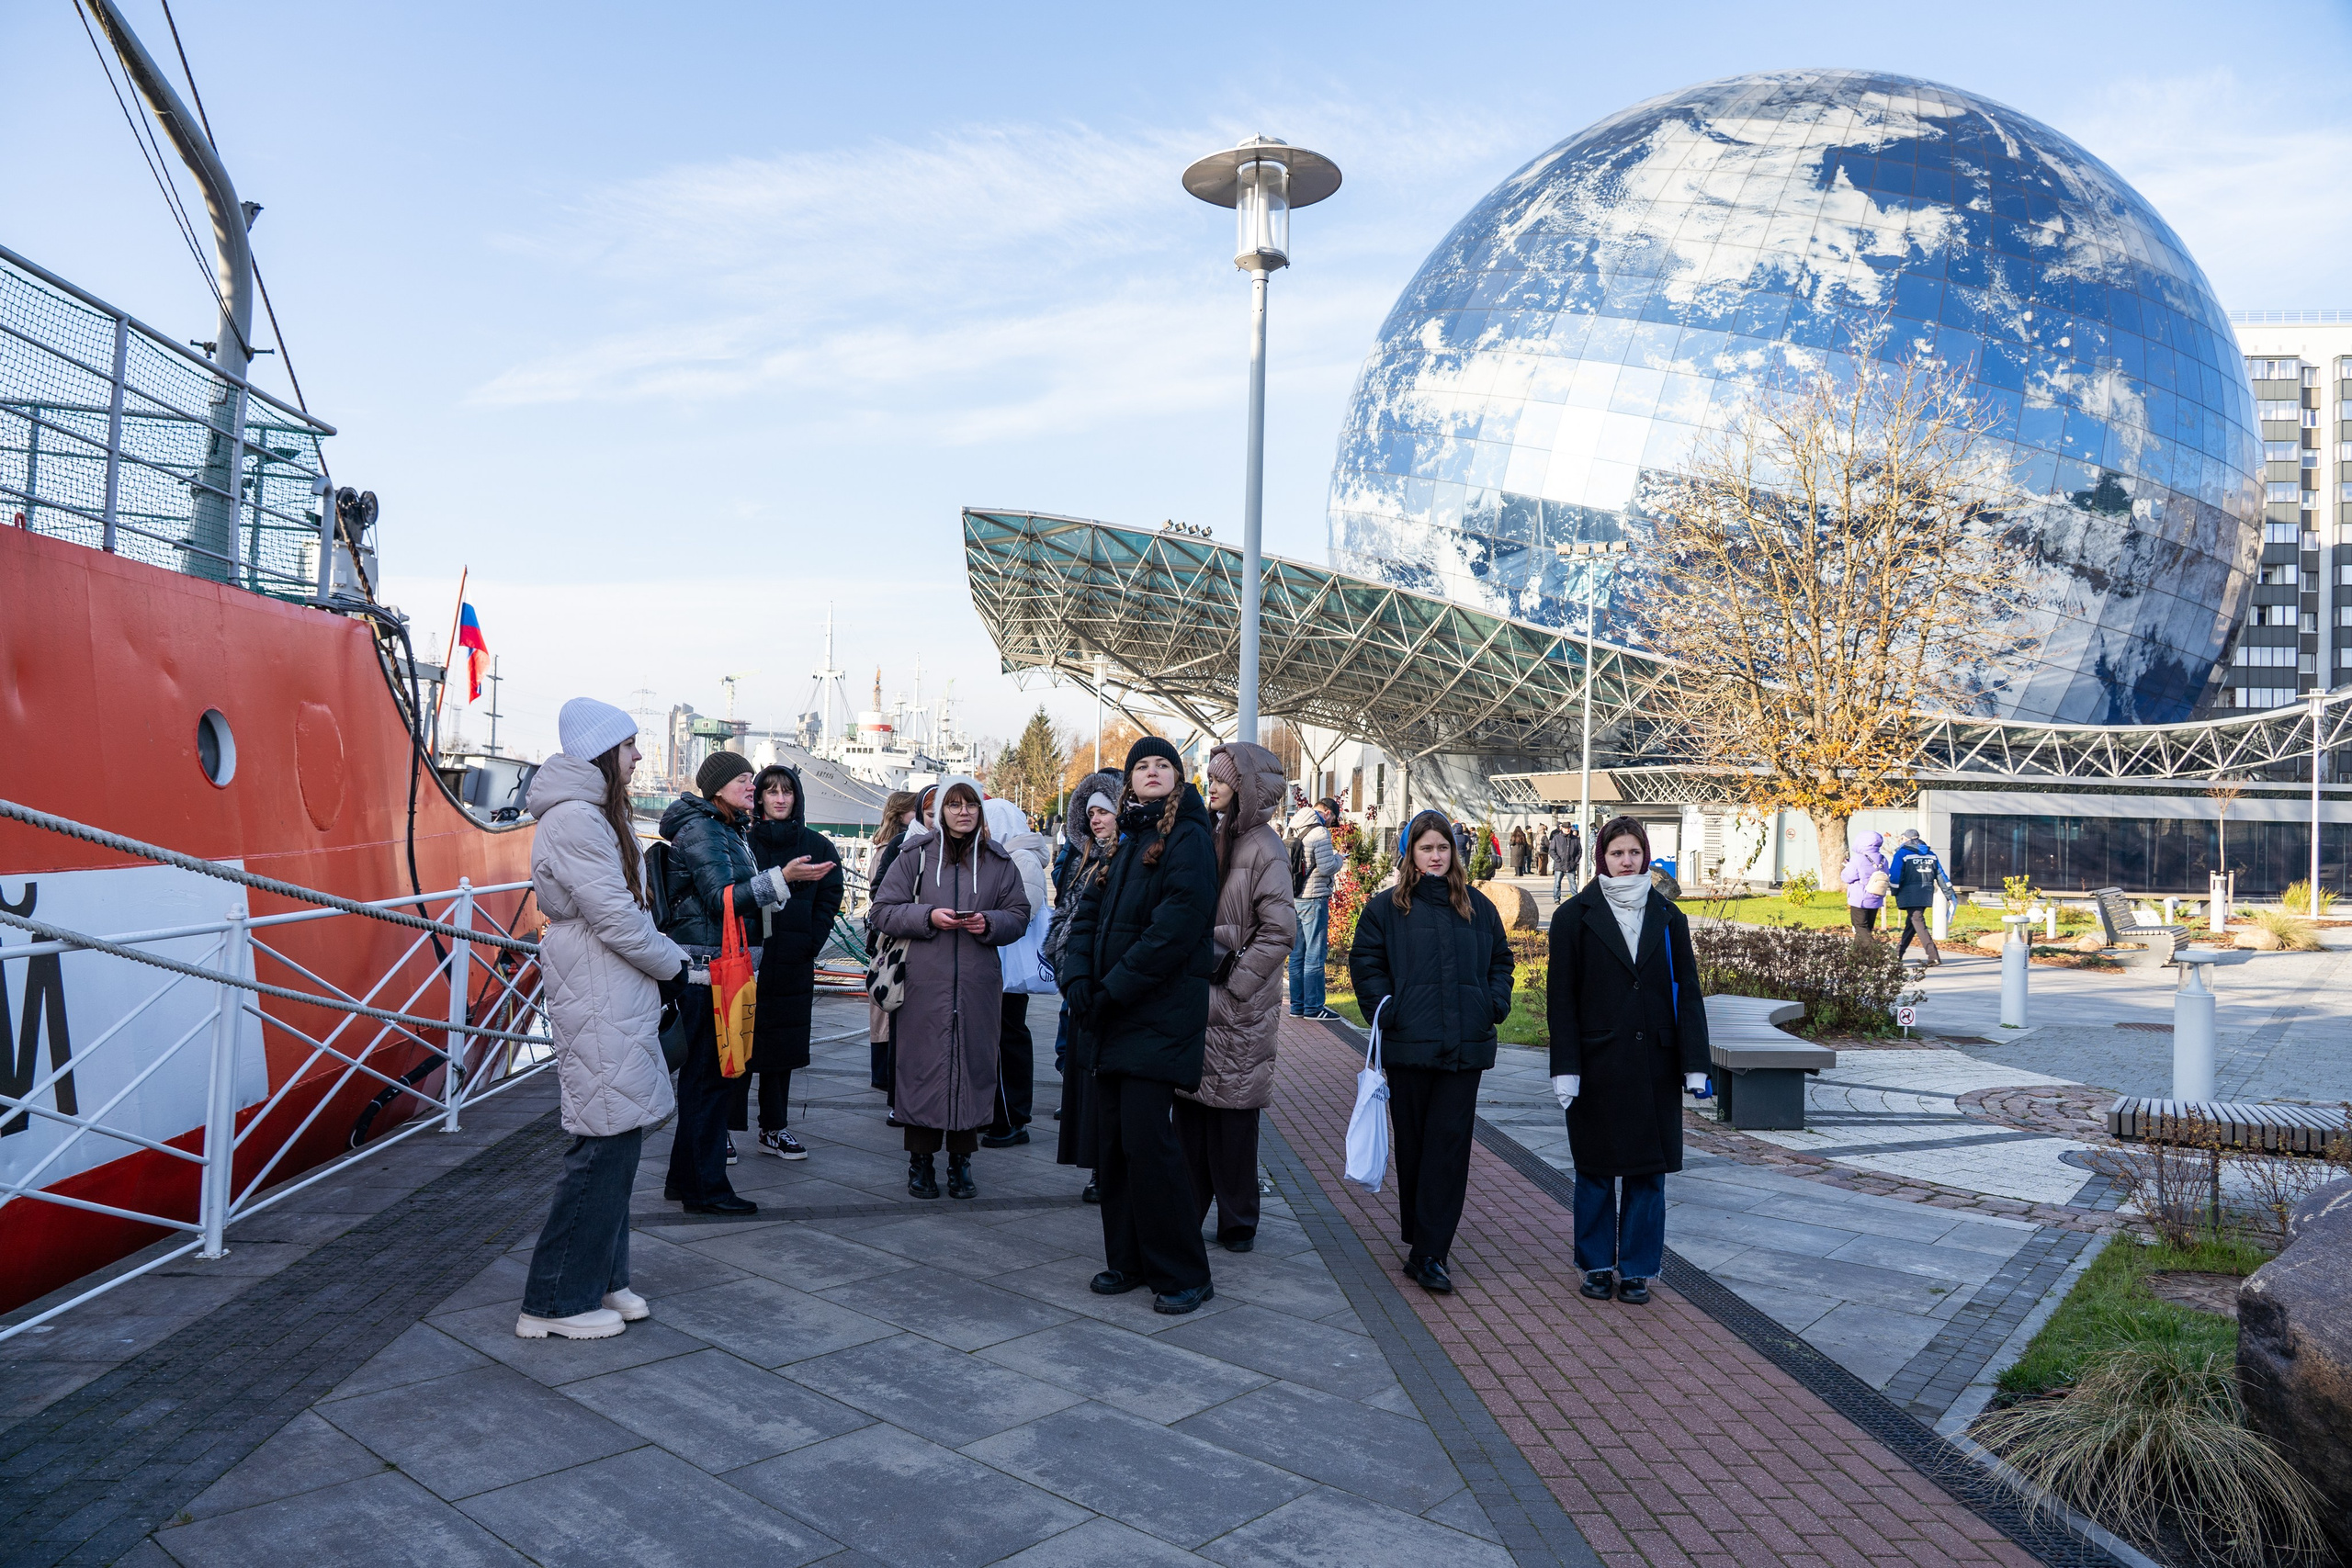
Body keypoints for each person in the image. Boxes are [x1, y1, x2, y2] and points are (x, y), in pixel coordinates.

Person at [515, 700, 689, 1339]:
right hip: (597, 990)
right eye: (629, 746)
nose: (638, 756)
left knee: (618, 1136)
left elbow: (619, 913)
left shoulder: (589, 816)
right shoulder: (576, 821)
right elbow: (617, 917)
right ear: (601, 753)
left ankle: (603, 1278)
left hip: (608, 989)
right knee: (603, 1145)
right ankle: (553, 1300)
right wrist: (675, 965)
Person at [1059, 737, 1219, 1314]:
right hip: (1110, 1015)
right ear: (1129, 781)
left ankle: (1183, 1272)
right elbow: (1088, 919)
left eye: (1162, 765)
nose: (1151, 771)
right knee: (1117, 1148)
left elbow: (1174, 932)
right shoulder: (1128, 840)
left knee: (1151, 1145)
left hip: (1154, 1017)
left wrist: (1111, 991)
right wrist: (1077, 979)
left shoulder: (1188, 839)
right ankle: (1128, 1259)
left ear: (1178, 777)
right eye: (1141, 766)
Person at [1546, 816, 1711, 1305]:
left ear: (1645, 856)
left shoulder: (1667, 916)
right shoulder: (1575, 915)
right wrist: (1565, 1065)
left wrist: (1694, 1061)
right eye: (1617, 853)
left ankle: (1637, 1267)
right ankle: (1596, 1264)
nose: (1626, 861)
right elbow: (1562, 999)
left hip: (1653, 1064)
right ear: (1602, 857)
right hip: (1597, 1063)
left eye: (1634, 853)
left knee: (1646, 1171)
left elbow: (1690, 994)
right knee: (1595, 1167)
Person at [1348, 809, 1513, 1294]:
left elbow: (1501, 961)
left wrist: (1492, 1004)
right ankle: (1419, 1241)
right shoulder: (1385, 910)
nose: (1435, 856)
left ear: (1453, 853)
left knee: (1449, 1149)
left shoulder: (1477, 908)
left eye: (1443, 847)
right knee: (1416, 1147)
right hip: (1409, 1048)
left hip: (1464, 1050)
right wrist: (1389, 1009)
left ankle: (1432, 1252)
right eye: (1426, 848)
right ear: (1410, 854)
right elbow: (1366, 962)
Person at [867, 776, 1029, 1200]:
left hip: (977, 988)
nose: (963, 812)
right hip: (923, 986)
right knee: (921, 1070)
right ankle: (919, 1163)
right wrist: (928, 917)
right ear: (940, 812)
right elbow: (883, 911)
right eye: (954, 805)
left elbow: (1019, 913)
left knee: (971, 1071)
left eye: (970, 804)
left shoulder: (997, 862)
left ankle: (961, 1162)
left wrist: (989, 923)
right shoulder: (914, 857)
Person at [658, 750, 794, 1215]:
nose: (752, 787)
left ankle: (685, 1180)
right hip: (707, 973)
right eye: (743, 780)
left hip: (713, 969)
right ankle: (706, 1190)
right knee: (710, 1084)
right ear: (717, 788)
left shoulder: (726, 828)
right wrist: (783, 878)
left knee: (704, 1082)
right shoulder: (704, 830)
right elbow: (721, 899)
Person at [1178, 742, 1297, 1253]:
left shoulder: (1265, 846)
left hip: (1238, 1002)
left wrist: (1237, 983)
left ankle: (1238, 1221)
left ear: (1246, 787)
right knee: (1192, 1115)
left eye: (1222, 776)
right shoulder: (1214, 832)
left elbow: (1279, 931)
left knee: (1232, 1122)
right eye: (1209, 774)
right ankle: (1187, 1210)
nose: (1212, 783)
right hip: (1201, 997)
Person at [733, 764, 842, 1161]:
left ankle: (773, 1127)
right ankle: (725, 1129)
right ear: (759, 797)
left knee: (781, 1050)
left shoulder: (818, 845)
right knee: (736, 1043)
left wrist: (810, 942)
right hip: (745, 960)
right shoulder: (741, 842)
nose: (780, 798)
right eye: (772, 791)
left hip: (793, 961)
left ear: (797, 797)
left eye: (787, 792)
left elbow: (831, 896)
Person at [1051, 772, 1122, 1202]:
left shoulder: (1125, 858)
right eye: (1091, 812)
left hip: (1105, 990)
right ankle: (1097, 1166)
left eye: (1104, 811)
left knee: (1105, 1088)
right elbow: (1067, 916)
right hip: (1080, 988)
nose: (1096, 820)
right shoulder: (1085, 860)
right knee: (1085, 1086)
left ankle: (1106, 1170)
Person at [981, 796, 1053, 1147]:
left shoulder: (1020, 858)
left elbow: (1025, 908)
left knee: (1008, 1039)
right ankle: (995, 1112)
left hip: (1007, 967)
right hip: (994, 963)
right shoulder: (1000, 855)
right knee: (997, 1039)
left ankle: (1011, 1117)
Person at [865, 789, 922, 1096]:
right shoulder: (894, 849)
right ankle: (884, 1073)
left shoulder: (887, 847)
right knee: (887, 1002)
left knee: (885, 1008)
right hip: (890, 940)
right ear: (902, 813)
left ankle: (885, 1071)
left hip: (887, 936)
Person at [1284, 803, 1342, 1021]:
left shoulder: (1293, 826)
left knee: (1297, 953)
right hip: (1314, 898)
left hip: (1294, 895)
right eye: (1333, 819)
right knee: (1315, 954)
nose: (1331, 823)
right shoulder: (1320, 832)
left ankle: (1297, 1006)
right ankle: (1314, 1007)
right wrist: (1339, 859)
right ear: (1327, 812)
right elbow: (1327, 867)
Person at [1887, 828, 1952, 965]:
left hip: (1909, 893)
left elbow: (1895, 875)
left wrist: (1894, 891)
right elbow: (1941, 875)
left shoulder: (1902, 853)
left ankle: (1933, 956)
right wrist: (1949, 894)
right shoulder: (1931, 854)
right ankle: (1897, 954)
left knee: (1917, 920)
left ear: (1906, 839)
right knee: (1912, 922)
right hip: (1926, 893)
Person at [1842, 829, 1891, 936]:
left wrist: (1847, 866)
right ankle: (1858, 953)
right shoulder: (1883, 859)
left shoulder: (1858, 858)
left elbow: (1847, 877)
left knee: (1860, 926)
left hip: (1860, 899)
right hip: (1876, 897)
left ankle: (1876, 950)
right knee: (1868, 927)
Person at [1549, 821, 1581, 901]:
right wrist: (1558, 860)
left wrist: (1575, 861)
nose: (1567, 830)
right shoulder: (1556, 838)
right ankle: (1556, 898)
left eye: (1568, 828)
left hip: (1571, 865)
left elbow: (1579, 851)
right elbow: (1552, 851)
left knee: (1573, 883)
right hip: (1559, 865)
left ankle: (1575, 899)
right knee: (1557, 883)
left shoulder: (1575, 839)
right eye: (1565, 828)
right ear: (1562, 829)